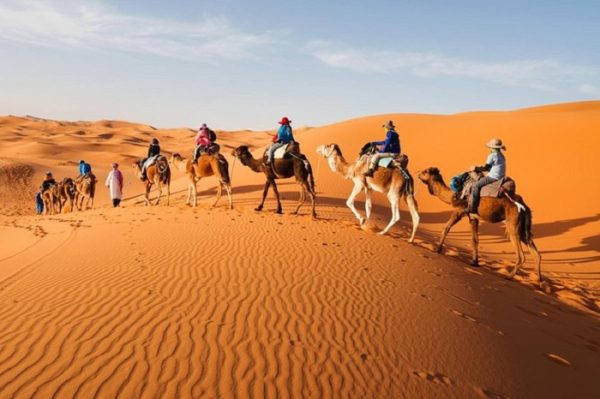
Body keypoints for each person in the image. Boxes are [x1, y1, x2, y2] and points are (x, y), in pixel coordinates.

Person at [467, 138, 507, 216]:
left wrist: (475, 168)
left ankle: (472, 207)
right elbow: (489, 167)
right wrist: (480, 167)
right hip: (501, 176)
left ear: (492, 148)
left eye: (490, 147)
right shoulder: (501, 155)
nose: (489, 148)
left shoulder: (492, 156)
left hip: (494, 177)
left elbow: (486, 168)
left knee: (476, 185)